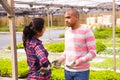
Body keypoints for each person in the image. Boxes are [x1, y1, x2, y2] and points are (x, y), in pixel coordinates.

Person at [52, 8, 96, 80]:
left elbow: (92, 53)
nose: (66, 20)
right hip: (67, 71)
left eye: (68, 17)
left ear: (76, 17)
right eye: (65, 18)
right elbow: (67, 51)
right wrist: (60, 59)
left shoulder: (86, 32)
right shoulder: (67, 32)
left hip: (81, 72)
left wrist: (78, 62)